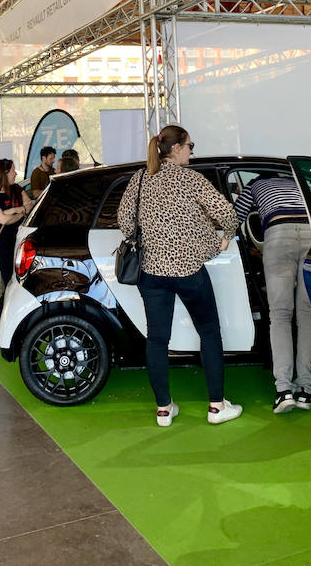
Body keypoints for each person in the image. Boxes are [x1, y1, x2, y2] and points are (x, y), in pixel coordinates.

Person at [117, 125, 242, 427]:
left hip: (151, 273)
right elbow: (226, 212)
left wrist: (145, 240)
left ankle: (163, 409)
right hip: (188, 272)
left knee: (157, 340)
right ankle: (216, 407)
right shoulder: (191, 179)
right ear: (175, 149)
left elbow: (123, 219)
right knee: (209, 333)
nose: (191, 151)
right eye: (190, 145)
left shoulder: (141, 178)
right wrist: (224, 237)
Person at [234, 175, 311, 413]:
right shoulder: (300, 183)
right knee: (308, 313)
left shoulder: (254, 185)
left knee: (280, 315)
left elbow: (234, 217)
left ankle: (284, 391)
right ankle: (306, 390)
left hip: (279, 234)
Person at [0, 159, 33, 346]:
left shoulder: (18, 190)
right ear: (4, 173)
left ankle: (9, 326)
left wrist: (16, 210)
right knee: (10, 287)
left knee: (17, 286)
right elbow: (2, 219)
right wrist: (20, 211)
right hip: (5, 247)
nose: (15, 174)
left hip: (22, 243)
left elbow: (30, 206)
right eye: (13, 171)